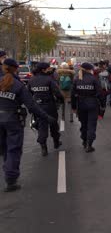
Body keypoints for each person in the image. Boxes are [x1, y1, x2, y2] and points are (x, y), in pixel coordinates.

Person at [0, 59, 55, 192]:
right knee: (13, 149)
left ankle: (8, 171)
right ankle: (11, 179)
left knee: (4, 149)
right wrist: (46, 117)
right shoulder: (18, 85)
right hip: (12, 119)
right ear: (15, 69)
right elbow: (32, 106)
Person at [27, 62, 64, 156]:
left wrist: (32, 106)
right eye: (48, 68)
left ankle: (43, 146)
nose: (49, 70)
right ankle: (56, 142)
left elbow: (28, 94)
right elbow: (57, 92)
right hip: (49, 106)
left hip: (37, 107)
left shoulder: (32, 80)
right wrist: (61, 100)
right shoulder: (49, 79)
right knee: (54, 125)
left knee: (41, 126)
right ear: (43, 70)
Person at [71, 63, 105, 153]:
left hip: (81, 104)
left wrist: (74, 107)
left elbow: (73, 95)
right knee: (91, 125)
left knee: (84, 124)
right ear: (89, 69)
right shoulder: (94, 79)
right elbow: (100, 93)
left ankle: (84, 141)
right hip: (92, 104)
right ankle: (89, 144)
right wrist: (102, 105)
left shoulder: (77, 79)